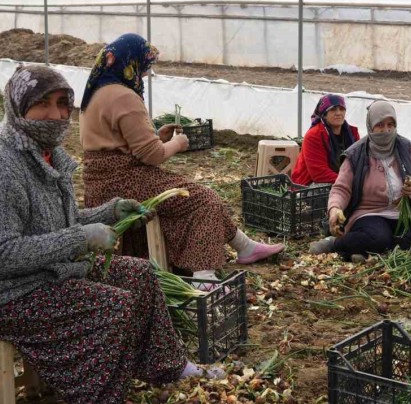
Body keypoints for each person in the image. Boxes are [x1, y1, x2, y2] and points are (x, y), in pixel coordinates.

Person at [0, 65, 218, 404]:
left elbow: (57, 221)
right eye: (42, 104)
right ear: (16, 107)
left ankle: (165, 365)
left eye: (62, 104)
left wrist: (108, 212)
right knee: (109, 305)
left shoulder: (43, 154)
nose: (56, 115)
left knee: (139, 274)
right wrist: (79, 238)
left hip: (38, 273)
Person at [79, 33, 283, 283]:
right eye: (144, 65)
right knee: (203, 199)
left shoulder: (97, 91)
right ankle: (204, 278)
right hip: (124, 181)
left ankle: (245, 246)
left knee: (192, 193)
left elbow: (118, 142)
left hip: (99, 181)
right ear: (131, 62)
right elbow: (151, 156)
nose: (145, 73)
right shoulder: (123, 96)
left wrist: (156, 137)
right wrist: (177, 143)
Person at [308, 101, 411, 260]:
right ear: (371, 126)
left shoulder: (406, 148)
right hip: (370, 214)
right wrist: (335, 209)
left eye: (391, 124)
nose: (386, 130)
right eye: (380, 125)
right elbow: (341, 189)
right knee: (378, 238)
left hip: (404, 214)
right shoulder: (356, 154)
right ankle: (335, 243)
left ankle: (376, 253)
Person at [290, 94, 360, 186]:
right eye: (333, 109)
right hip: (310, 185)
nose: (338, 113)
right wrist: (350, 182)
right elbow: (319, 174)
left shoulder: (352, 133)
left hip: (344, 180)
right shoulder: (314, 136)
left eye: (341, 109)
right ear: (324, 115)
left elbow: (360, 161)